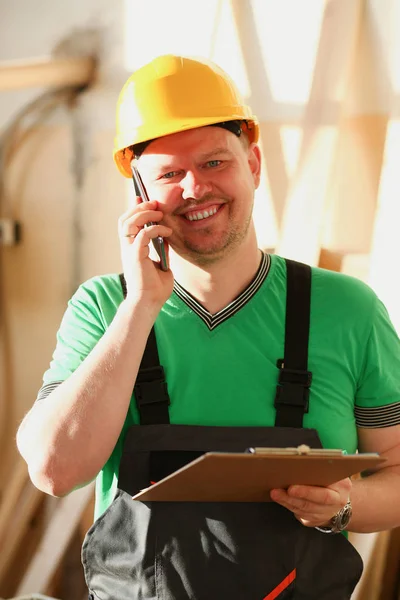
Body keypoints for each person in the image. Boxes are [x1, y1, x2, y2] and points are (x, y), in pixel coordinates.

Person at [17, 54, 400, 599]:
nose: (196, 189)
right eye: (170, 175)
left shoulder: (348, 310)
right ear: (141, 197)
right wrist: (138, 311)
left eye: (215, 162)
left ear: (255, 164)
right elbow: (54, 472)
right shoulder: (104, 309)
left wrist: (345, 505)